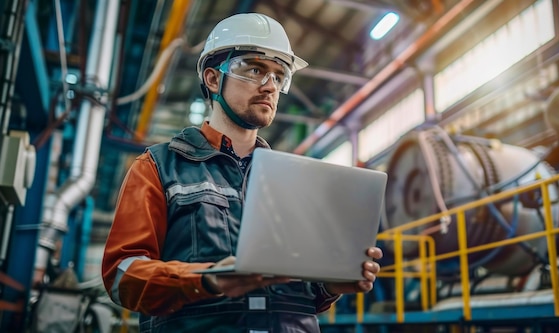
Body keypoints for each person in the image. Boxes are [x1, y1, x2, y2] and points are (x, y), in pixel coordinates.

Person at [101, 12, 383, 333]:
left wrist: (331, 287)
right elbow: (121, 276)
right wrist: (206, 280)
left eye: (279, 76)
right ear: (212, 79)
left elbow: (300, 294)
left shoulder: (295, 181)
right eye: (254, 70)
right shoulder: (159, 166)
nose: (269, 86)